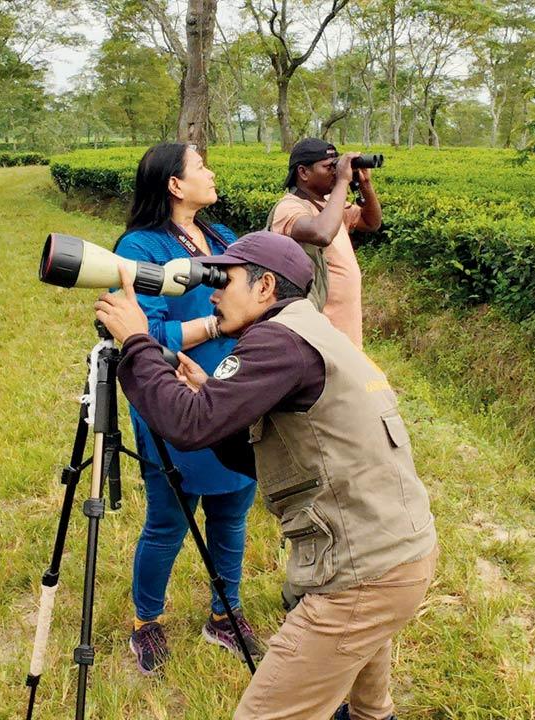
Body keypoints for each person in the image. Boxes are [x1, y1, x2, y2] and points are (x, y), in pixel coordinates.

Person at [96, 231, 438, 720]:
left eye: (223, 279)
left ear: (265, 289)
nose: (212, 293)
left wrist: (136, 341)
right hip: (399, 553)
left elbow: (186, 426)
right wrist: (214, 400)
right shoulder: (309, 330)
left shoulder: (278, 341)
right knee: (368, 708)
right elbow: (259, 454)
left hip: (362, 576)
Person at [112, 143, 265, 676]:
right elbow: (142, 333)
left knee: (232, 514)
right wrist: (219, 327)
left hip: (234, 393)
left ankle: (226, 614)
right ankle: (146, 622)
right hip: (176, 400)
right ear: (175, 185)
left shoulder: (221, 237)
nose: (211, 172)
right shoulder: (140, 247)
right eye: (201, 166)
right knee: (168, 521)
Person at [268, 138, 382, 348]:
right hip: (317, 329)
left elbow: (371, 222)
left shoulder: (331, 204)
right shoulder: (290, 207)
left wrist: (364, 184)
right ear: (303, 172)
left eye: (336, 166)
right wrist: (342, 182)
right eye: (329, 167)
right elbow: (322, 233)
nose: (335, 172)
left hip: (344, 328)